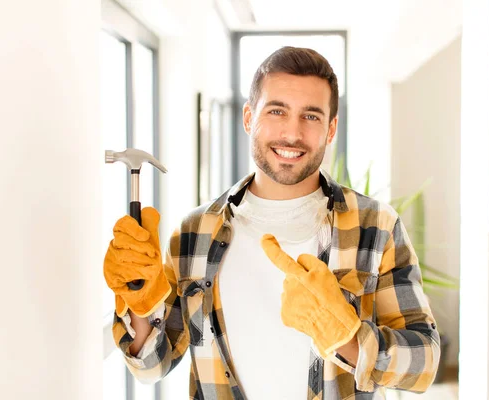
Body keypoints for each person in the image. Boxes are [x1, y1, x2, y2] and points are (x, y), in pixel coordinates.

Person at [104, 46, 440, 400]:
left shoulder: (376, 226)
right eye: (276, 111)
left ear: (330, 128)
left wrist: (349, 340)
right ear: (249, 118)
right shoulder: (193, 233)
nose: (292, 134)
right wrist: (139, 302)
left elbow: (426, 362)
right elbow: (151, 365)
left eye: (311, 116)